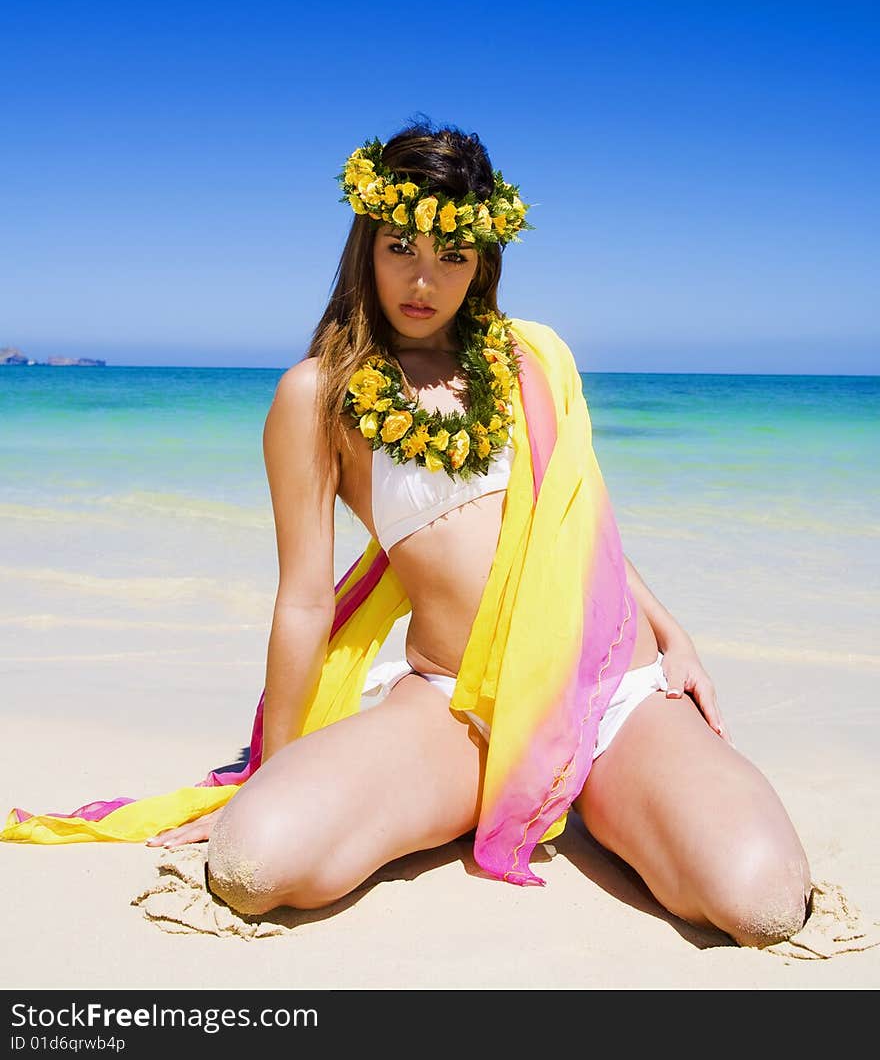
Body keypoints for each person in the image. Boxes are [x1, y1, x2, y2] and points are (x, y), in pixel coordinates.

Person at [7, 119, 813, 948]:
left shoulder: (531, 361)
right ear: (367, 240)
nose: (424, 280)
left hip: (617, 690)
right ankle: (502, 790)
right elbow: (302, 601)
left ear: (484, 260)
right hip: (461, 709)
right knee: (255, 867)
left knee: (762, 906)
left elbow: (583, 527)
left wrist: (677, 635)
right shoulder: (317, 398)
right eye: (402, 247)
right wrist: (269, 770)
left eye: (452, 257)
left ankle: (582, 789)